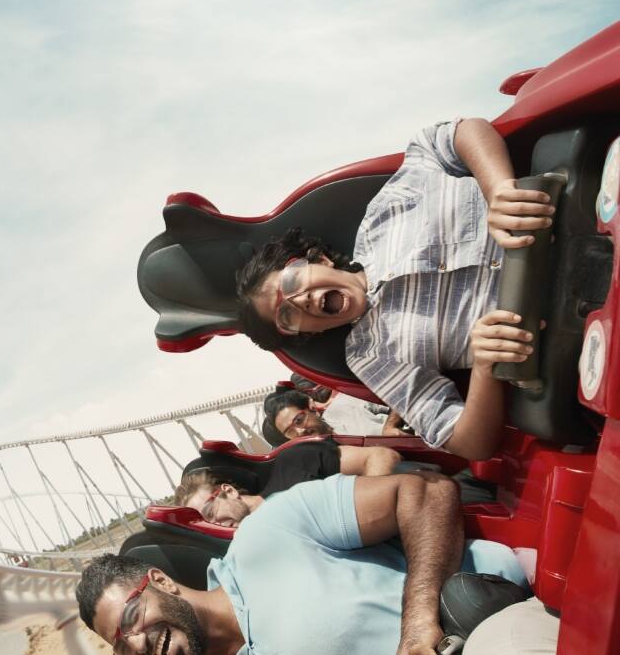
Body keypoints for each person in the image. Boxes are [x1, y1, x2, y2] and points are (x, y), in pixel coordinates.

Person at [236, 118, 554, 460]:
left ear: (320, 260)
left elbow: (453, 134)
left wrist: (499, 191)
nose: (302, 300)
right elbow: (469, 443)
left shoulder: (383, 214)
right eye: (287, 314)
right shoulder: (371, 357)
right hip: (571, 321)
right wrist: (485, 365)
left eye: (293, 282)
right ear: (305, 334)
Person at [78, 471, 528, 655]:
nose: (136, 644)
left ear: (161, 582)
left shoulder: (265, 537)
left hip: (491, 624)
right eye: (121, 646)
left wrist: (418, 624)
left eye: (132, 617)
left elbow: (426, 492)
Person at [175, 436, 401, 516]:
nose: (215, 525)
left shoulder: (291, 464)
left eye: (210, 513)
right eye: (205, 525)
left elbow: (381, 457)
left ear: (228, 491)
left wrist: (374, 512)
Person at [261, 388, 407, 446]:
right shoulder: (320, 462)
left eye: (298, 421)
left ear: (311, 409)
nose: (299, 432)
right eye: (290, 432)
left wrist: (390, 425)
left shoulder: (346, 403)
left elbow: (399, 395)